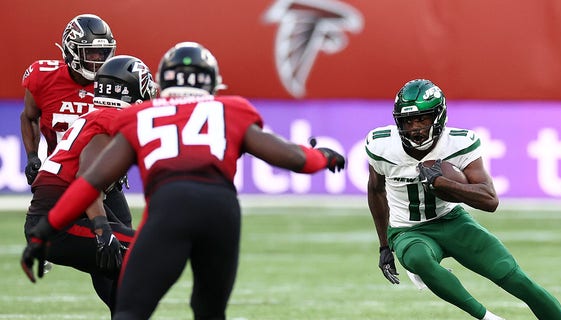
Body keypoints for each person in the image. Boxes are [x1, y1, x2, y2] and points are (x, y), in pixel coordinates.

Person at [21, 41, 346, 320]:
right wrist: (322, 157)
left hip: (168, 208)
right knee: (209, 311)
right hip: (221, 211)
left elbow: (89, 182)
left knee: (130, 312)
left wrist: (43, 234)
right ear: (211, 82)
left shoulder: (139, 117)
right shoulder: (231, 109)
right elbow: (290, 157)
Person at [366, 79, 561, 319]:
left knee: (516, 278)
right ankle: (489, 318)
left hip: (452, 221)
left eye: (423, 119)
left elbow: (490, 200)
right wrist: (384, 246)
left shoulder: (460, 143)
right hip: (408, 230)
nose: (415, 128)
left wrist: (443, 184)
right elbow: (376, 190)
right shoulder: (380, 145)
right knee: (418, 257)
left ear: (438, 117)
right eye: (408, 121)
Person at [22, 55, 156, 314]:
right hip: (59, 220)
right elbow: (87, 177)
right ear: (130, 89)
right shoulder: (112, 119)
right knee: (143, 252)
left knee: (122, 263)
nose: (151, 90)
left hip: (63, 211)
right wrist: (103, 231)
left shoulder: (100, 114)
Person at [20, 13, 133, 227]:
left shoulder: (115, 83)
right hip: (61, 177)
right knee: (43, 231)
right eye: (91, 53)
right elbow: (29, 117)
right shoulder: (43, 77)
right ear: (71, 51)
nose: (98, 60)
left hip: (102, 178)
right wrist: (32, 156)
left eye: (103, 53)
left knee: (124, 238)